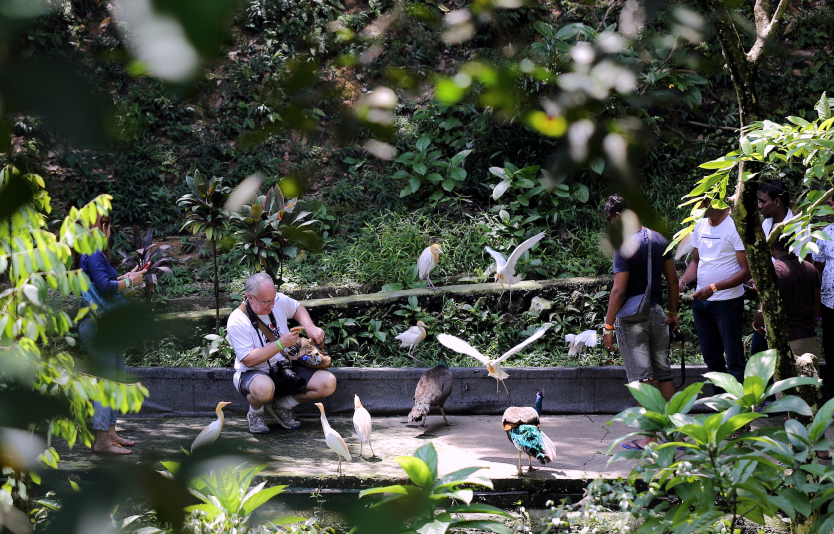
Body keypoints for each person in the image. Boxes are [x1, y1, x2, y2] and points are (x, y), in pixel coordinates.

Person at [601, 196, 680, 450]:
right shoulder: (659, 239)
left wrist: (609, 326)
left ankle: (650, 440)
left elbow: (619, 291)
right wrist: (673, 312)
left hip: (633, 319)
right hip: (658, 314)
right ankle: (678, 438)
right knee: (664, 375)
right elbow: (673, 280)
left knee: (642, 380)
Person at [228, 272, 334, 434]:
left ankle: (282, 406)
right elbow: (248, 360)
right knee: (264, 388)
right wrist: (280, 344)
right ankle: (255, 413)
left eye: (273, 300)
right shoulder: (237, 320)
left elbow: (297, 307)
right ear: (250, 297)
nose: (271, 305)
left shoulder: (276, 301)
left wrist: (310, 327)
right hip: (254, 374)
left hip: (285, 368)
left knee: (328, 383)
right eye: (266, 302)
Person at [78, 214, 147, 454]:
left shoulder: (91, 253)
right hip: (97, 325)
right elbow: (106, 288)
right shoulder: (94, 252)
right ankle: (102, 441)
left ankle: (110, 432)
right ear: (103, 227)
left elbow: (103, 282)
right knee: (107, 383)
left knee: (116, 378)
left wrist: (128, 278)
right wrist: (128, 284)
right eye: (110, 228)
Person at [678, 202, 750, 387]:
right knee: (711, 357)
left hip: (728, 302)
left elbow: (746, 271)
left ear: (718, 202)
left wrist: (714, 288)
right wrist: (683, 281)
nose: (700, 206)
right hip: (701, 303)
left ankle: (740, 407)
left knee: (734, 356)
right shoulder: (700, 225)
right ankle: (721, 406)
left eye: (704, 202)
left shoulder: (734, 227)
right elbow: (695, 260)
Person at [752, 179, 812, 355]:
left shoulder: (799, 227)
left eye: (763, 201)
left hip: (791, 307)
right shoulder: (765, 225)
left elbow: (806, 267)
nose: (759, 206)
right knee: (759, 354)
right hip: (768, 299)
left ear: (777, 202)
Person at [753, 235, 820, 360]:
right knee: (811, 378)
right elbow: (817, 302)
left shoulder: (774, 272)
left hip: (788, 344)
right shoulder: (810, 268)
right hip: (810, 340)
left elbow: (761, 312)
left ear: (771, 247)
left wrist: (757, 326)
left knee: (787, 379)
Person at [813, 195, 834, 403]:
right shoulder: (825, 234)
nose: (829, 206)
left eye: (832, 203)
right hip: (830, 303)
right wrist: (817, 303)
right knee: (831, 348)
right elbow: (818, 269)